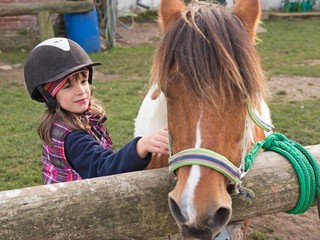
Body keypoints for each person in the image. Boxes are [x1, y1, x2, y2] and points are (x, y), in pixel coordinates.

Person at [24, 37, 169, 184]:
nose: (81, 91)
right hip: (78, 203)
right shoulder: (73, 138)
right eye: (68, 86)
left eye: (83, 81)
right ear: (49, 95)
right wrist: (140, 146)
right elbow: (103, 168)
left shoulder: (68, 118)